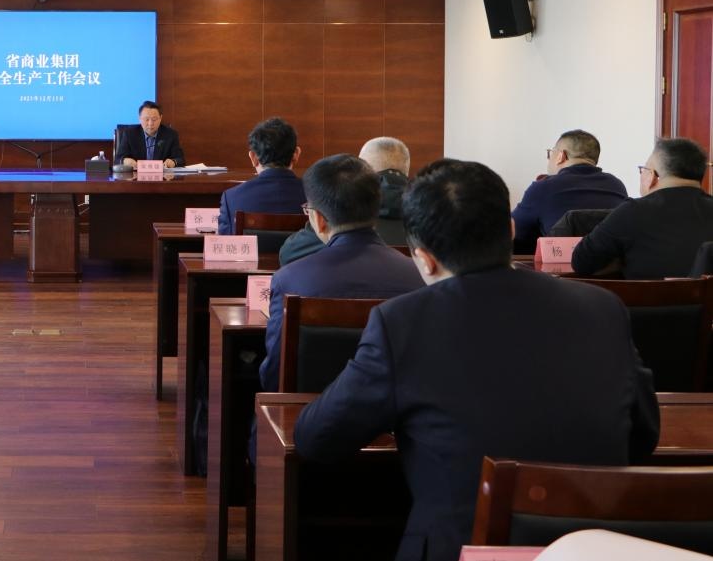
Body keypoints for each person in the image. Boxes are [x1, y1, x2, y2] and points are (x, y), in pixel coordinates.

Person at [292, 159, 659, 561]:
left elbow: (317, 439)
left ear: (423, 258)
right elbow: (643, 435)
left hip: (459, 548)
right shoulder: (603, 307)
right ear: (512, 230)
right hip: (592, 548)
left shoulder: (402, 322)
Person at [259, 154, 423, 391]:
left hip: (308, 409)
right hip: (399, 411)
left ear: (319, 220)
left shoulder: (290, 279)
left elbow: (275, 376)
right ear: (376, 209)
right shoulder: (417, 275)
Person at [572, 137, 713, 279]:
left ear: (652, 176)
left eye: (643, 169)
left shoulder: (632, 211)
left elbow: (581, 262)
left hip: (646, 294)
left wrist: (622, 261)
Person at [278, 136, 411, 264]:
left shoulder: (345, 207)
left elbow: (291, 251)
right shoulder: (423, 211)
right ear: (406, 169)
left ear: (363, 171)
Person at [511, 129, 628, 253]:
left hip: (561, 265)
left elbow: (512, 233)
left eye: (551, 153)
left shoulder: (544, 187)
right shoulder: (617, 186)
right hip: (612, 264)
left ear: (561, 156)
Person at [216, 117, 306, 234]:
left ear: (253, 157)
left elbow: (225, 242)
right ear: (296, 154)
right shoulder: (316, 196)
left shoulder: (232, 198)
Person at [115, 100, 186, 167]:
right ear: (140, 118)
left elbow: (180, 159)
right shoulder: (129, 134)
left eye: (154, 119)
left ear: (160, 118)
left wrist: (173, 162)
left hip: (162, 175)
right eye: (146, 119)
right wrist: (125, 161)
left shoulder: (170, 135)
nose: (150, 123)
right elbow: (117, 160)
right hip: (136, 175)